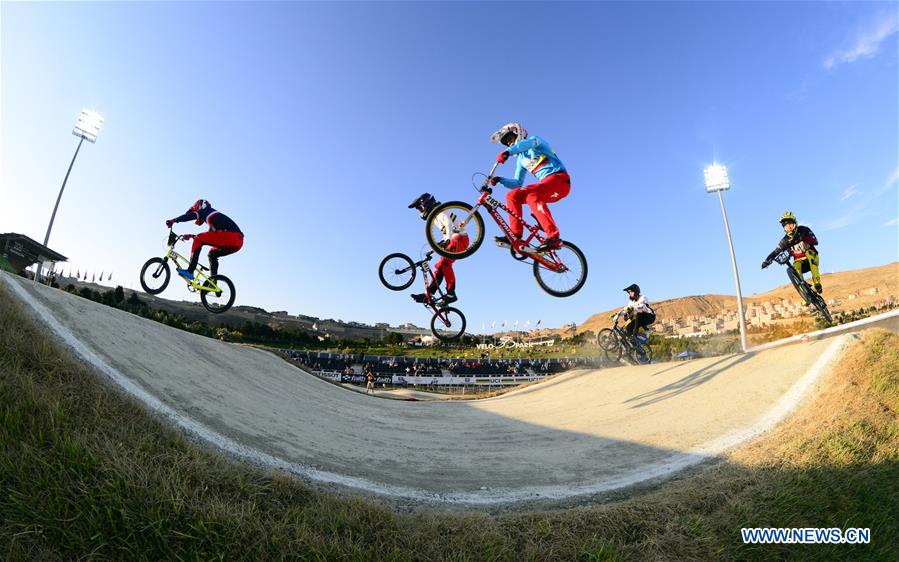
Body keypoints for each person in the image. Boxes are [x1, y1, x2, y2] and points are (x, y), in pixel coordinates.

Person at [489, 122, 570, 253]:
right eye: (507, 143)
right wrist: (501, 180)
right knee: (512, 195)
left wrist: (508, 152)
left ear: (518, 133)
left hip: (560, 180)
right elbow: (517, 183)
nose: (510, 144)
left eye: (510, 139)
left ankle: (554, 237)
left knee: (533, 196)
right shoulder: (521, 159)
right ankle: (515, 235)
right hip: (546, 185)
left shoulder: (535, 141)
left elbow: (529, 144)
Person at [407, 192, 468, 304]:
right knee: (440, 267)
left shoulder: (440, 211)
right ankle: (429, 294)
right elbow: (446, 234)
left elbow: (449, 224)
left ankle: (451, 293)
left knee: (445, 263)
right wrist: (434, 249)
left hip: (460, 238)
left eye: (420, 209)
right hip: (455, 238)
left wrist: (448, 239)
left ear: (426, 205)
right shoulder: (435, 217)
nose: (420, 212)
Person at [165, 199, 244, 281]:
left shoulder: (205, 211)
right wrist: (191, 236)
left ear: (200, 207)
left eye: (195, 210)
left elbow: (191, 216)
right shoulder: (212, 217)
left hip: (232, 236)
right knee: (212, 254)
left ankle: (190, 271)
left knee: (198, 239)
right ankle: (213, 282)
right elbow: (208, 237)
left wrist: (174, 220)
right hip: (237, 243)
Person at [761, 211, 822, 293]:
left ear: (795, 223)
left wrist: (803, 238)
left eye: (790, 224)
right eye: (786, 226)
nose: (788, 227)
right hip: (800, 261)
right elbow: (776, 251)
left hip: (812, 257)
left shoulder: (804, 230)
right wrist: (767, 260)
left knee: (809, 254)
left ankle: (817, 283)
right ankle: (805, 292)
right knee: (796, 265)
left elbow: (816, 241)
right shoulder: (785, 240)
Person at [615, 284, 655, 359]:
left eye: (631, 292)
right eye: (629, 292)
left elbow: (641, 307)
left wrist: (632, 309)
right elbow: (627, 309)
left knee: (638, 315)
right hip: (639, 318)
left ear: (636, 292)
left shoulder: (643, 297)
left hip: (649, 316)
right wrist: (618, 314)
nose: (629, 294)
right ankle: (632, 349)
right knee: (628, 327)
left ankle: (635, 335)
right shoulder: (631, 301)